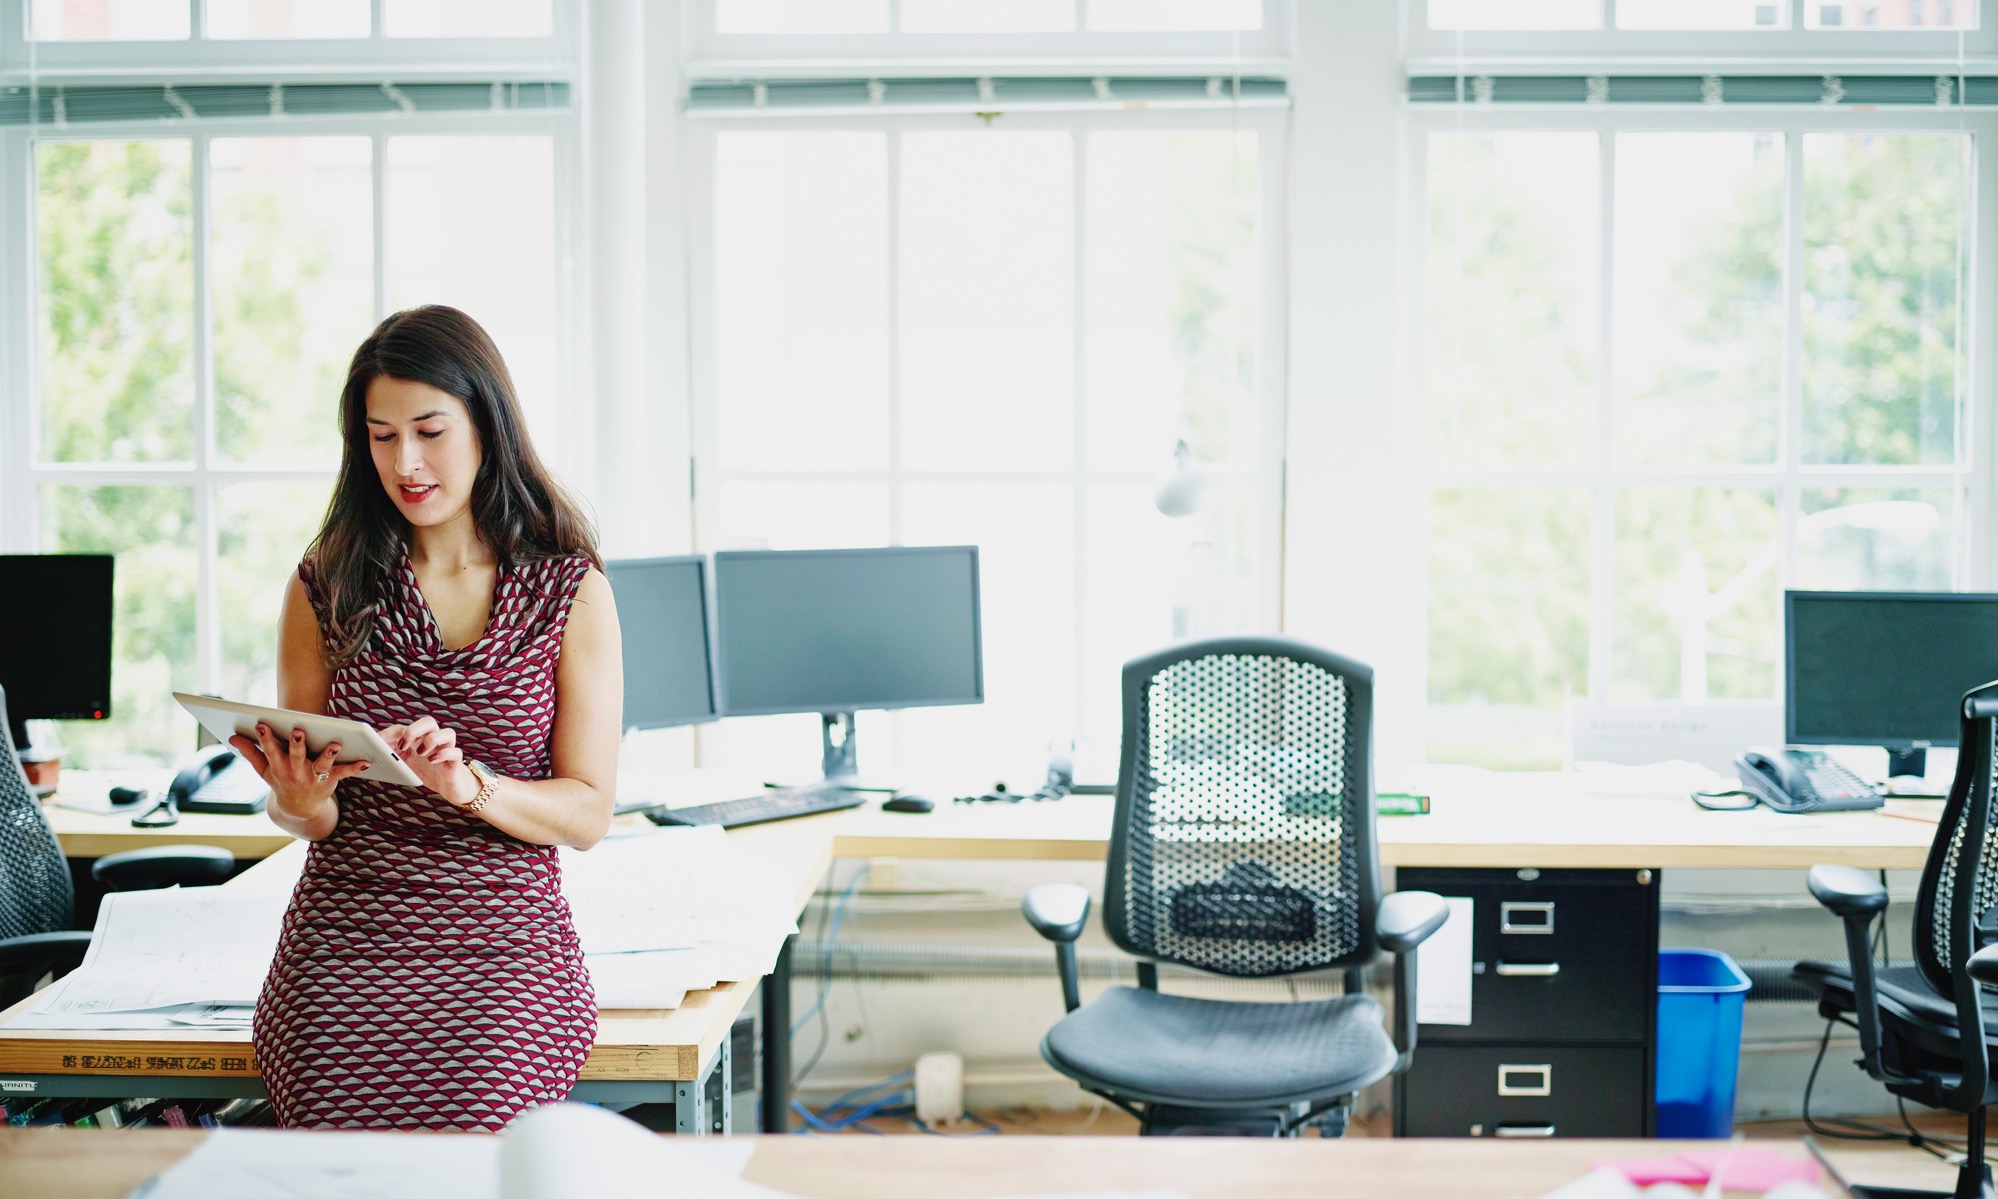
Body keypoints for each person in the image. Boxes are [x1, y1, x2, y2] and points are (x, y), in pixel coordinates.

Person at [229, 305, 622, 1129]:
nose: (404, 462)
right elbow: (311, 811)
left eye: (429, 430)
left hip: (503, 943)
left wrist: (470, 784)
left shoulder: (569, 592)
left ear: (487, 424)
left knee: (480, 1115)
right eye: (380, 436)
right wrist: (297, 799)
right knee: (333, 1132)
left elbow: (587, 813)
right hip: (347, 937)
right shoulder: (323, 586)